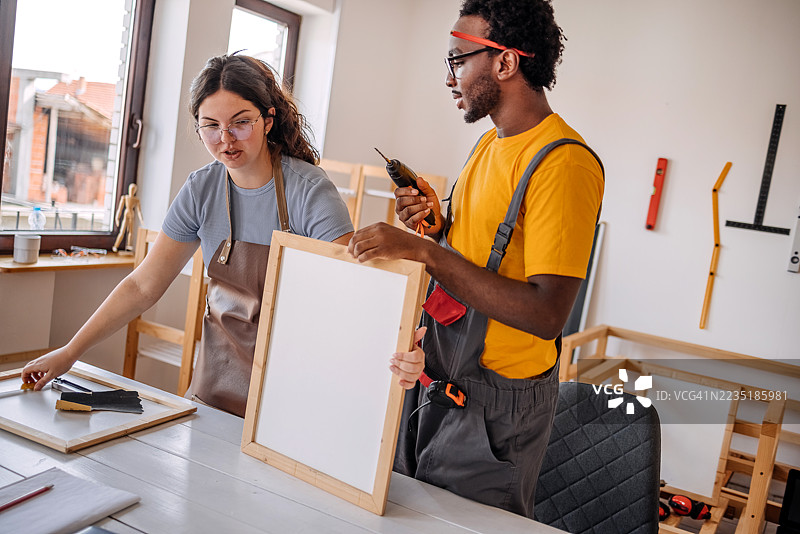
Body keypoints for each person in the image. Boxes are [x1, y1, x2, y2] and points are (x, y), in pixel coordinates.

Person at [22, 53, 425, 417]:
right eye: (211, 126)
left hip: (295, 390)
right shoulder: (201, 189)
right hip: (217, 385)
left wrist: (401, 351)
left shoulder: (309, 191)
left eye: (240, 123)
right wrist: (70, 352)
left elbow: (354, 293)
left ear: (268, 120)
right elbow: (143, 285)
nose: (226, 139)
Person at [347, 0, 604, 519]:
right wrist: (437, 232)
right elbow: (478, 258)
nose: (449, 77)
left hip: (497, 414)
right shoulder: (489, 146)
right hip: (436, 382)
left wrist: (424, 253)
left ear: (506, 63)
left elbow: (546, 314)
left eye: (458, 61)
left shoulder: (564, 164)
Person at [112, 183, 145, 252]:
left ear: (135, 191)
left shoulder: (136, 200)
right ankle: (115, 246)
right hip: (126, 214)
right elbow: (119, 209)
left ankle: (129, 246)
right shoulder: (125, 197)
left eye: (133, 190)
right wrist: (117, 218)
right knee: (122, 231)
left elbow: (139, 211)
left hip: (131, 215)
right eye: (131, 189)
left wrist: (141, 219)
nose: (132, 191)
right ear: (129, 189)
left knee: (130, 232)